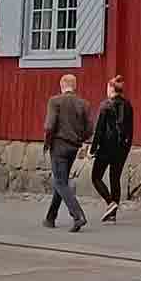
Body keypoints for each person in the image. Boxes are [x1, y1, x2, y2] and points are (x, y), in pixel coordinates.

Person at [43, 73, 92, 232]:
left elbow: (50, 126)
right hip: (73, 146)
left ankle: (78, 216)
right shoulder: (83, 104)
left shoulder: (54, 101)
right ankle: (51, 217)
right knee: (61, 180)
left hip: (58, 145)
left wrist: (47, 142)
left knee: (59, 182)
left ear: (62, 85)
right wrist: (80, 139)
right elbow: (89, 129)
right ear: (75, 86)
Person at [90, 75, 133, 222]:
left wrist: (92, 149)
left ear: (111, 89)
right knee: (115, 179)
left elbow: (99, 130)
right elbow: (130, 129)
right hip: (122, 148)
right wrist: (127, 147)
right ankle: (112, 215)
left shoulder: (105, 106)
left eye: (107, 87)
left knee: (95, 177)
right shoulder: (128, 105)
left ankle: (110, 203)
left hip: (106, 148)